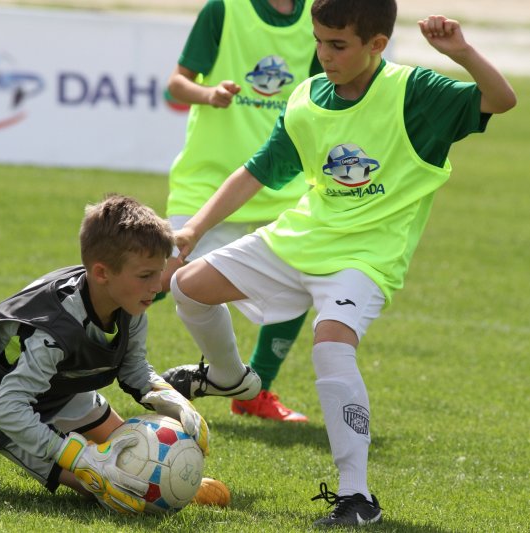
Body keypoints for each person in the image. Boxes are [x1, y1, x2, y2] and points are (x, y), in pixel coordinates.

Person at [161, 0, 516, 527]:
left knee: (330, 345)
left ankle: (357, 497)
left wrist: (461, 52)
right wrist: (193, 230)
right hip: (301, 239)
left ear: (377, 44)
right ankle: (232, 378)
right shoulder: (307, 96)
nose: (324, 55)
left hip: (366, 257)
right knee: (189, 286)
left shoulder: (414, 91)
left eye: (338, 45)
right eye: (319, 41)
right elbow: (258, 170)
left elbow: (501, 99)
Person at [0, 193, 209, 515]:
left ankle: (163, 480)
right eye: (145, 276)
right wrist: (79, 456)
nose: (157, 285)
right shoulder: (54, 331)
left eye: (159, 272)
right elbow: (6, 409)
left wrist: (169, 399)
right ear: (102, 273)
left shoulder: (129, 303)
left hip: (59, 385)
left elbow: (133, 368)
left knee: (136, 459)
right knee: (113, 489)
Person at [161, 0, 324, 423]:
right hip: (207, 183)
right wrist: (209, 95)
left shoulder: (320, 15)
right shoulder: (224, 9)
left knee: (304, 276)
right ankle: (83, 355)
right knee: (160, 276)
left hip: (282, 185)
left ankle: (255, 390)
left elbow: (324, 95)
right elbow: (175, 85)